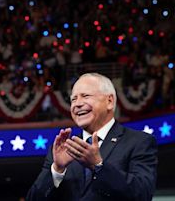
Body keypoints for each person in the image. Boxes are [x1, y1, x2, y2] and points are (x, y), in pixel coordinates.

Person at [27, 73, 157, 201]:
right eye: (73, 99)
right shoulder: (62, 149)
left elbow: (142, 194)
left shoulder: (139, 142)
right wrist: (57, 170)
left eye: (85, 96)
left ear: (109, 101)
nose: (77, 104)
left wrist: (98, 166)